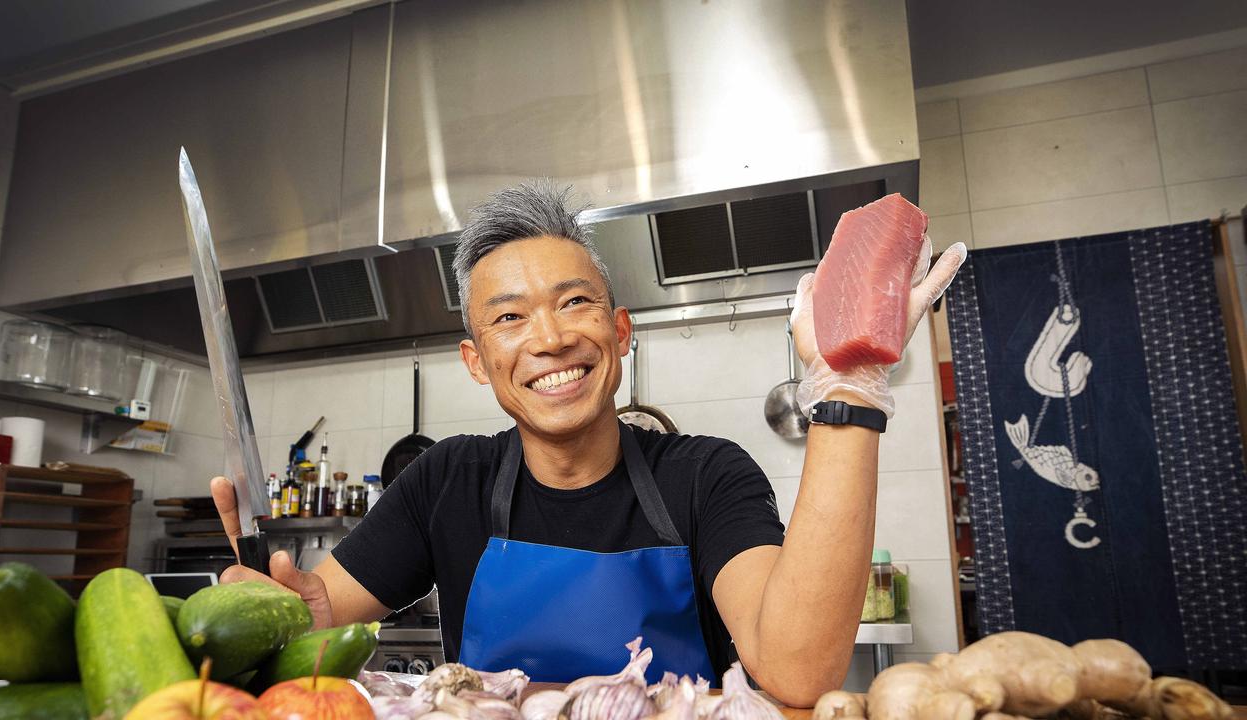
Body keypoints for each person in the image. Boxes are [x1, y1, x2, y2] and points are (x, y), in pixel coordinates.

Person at [212, 181, 966, 705]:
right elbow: (314, 627)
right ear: (476, 361)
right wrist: (283, 614)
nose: (549, 338)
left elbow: (798, 673)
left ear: (619, 331)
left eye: (575, 302)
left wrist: (846, 391)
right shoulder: (448, 481)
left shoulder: (705, 477)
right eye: (509, 318)